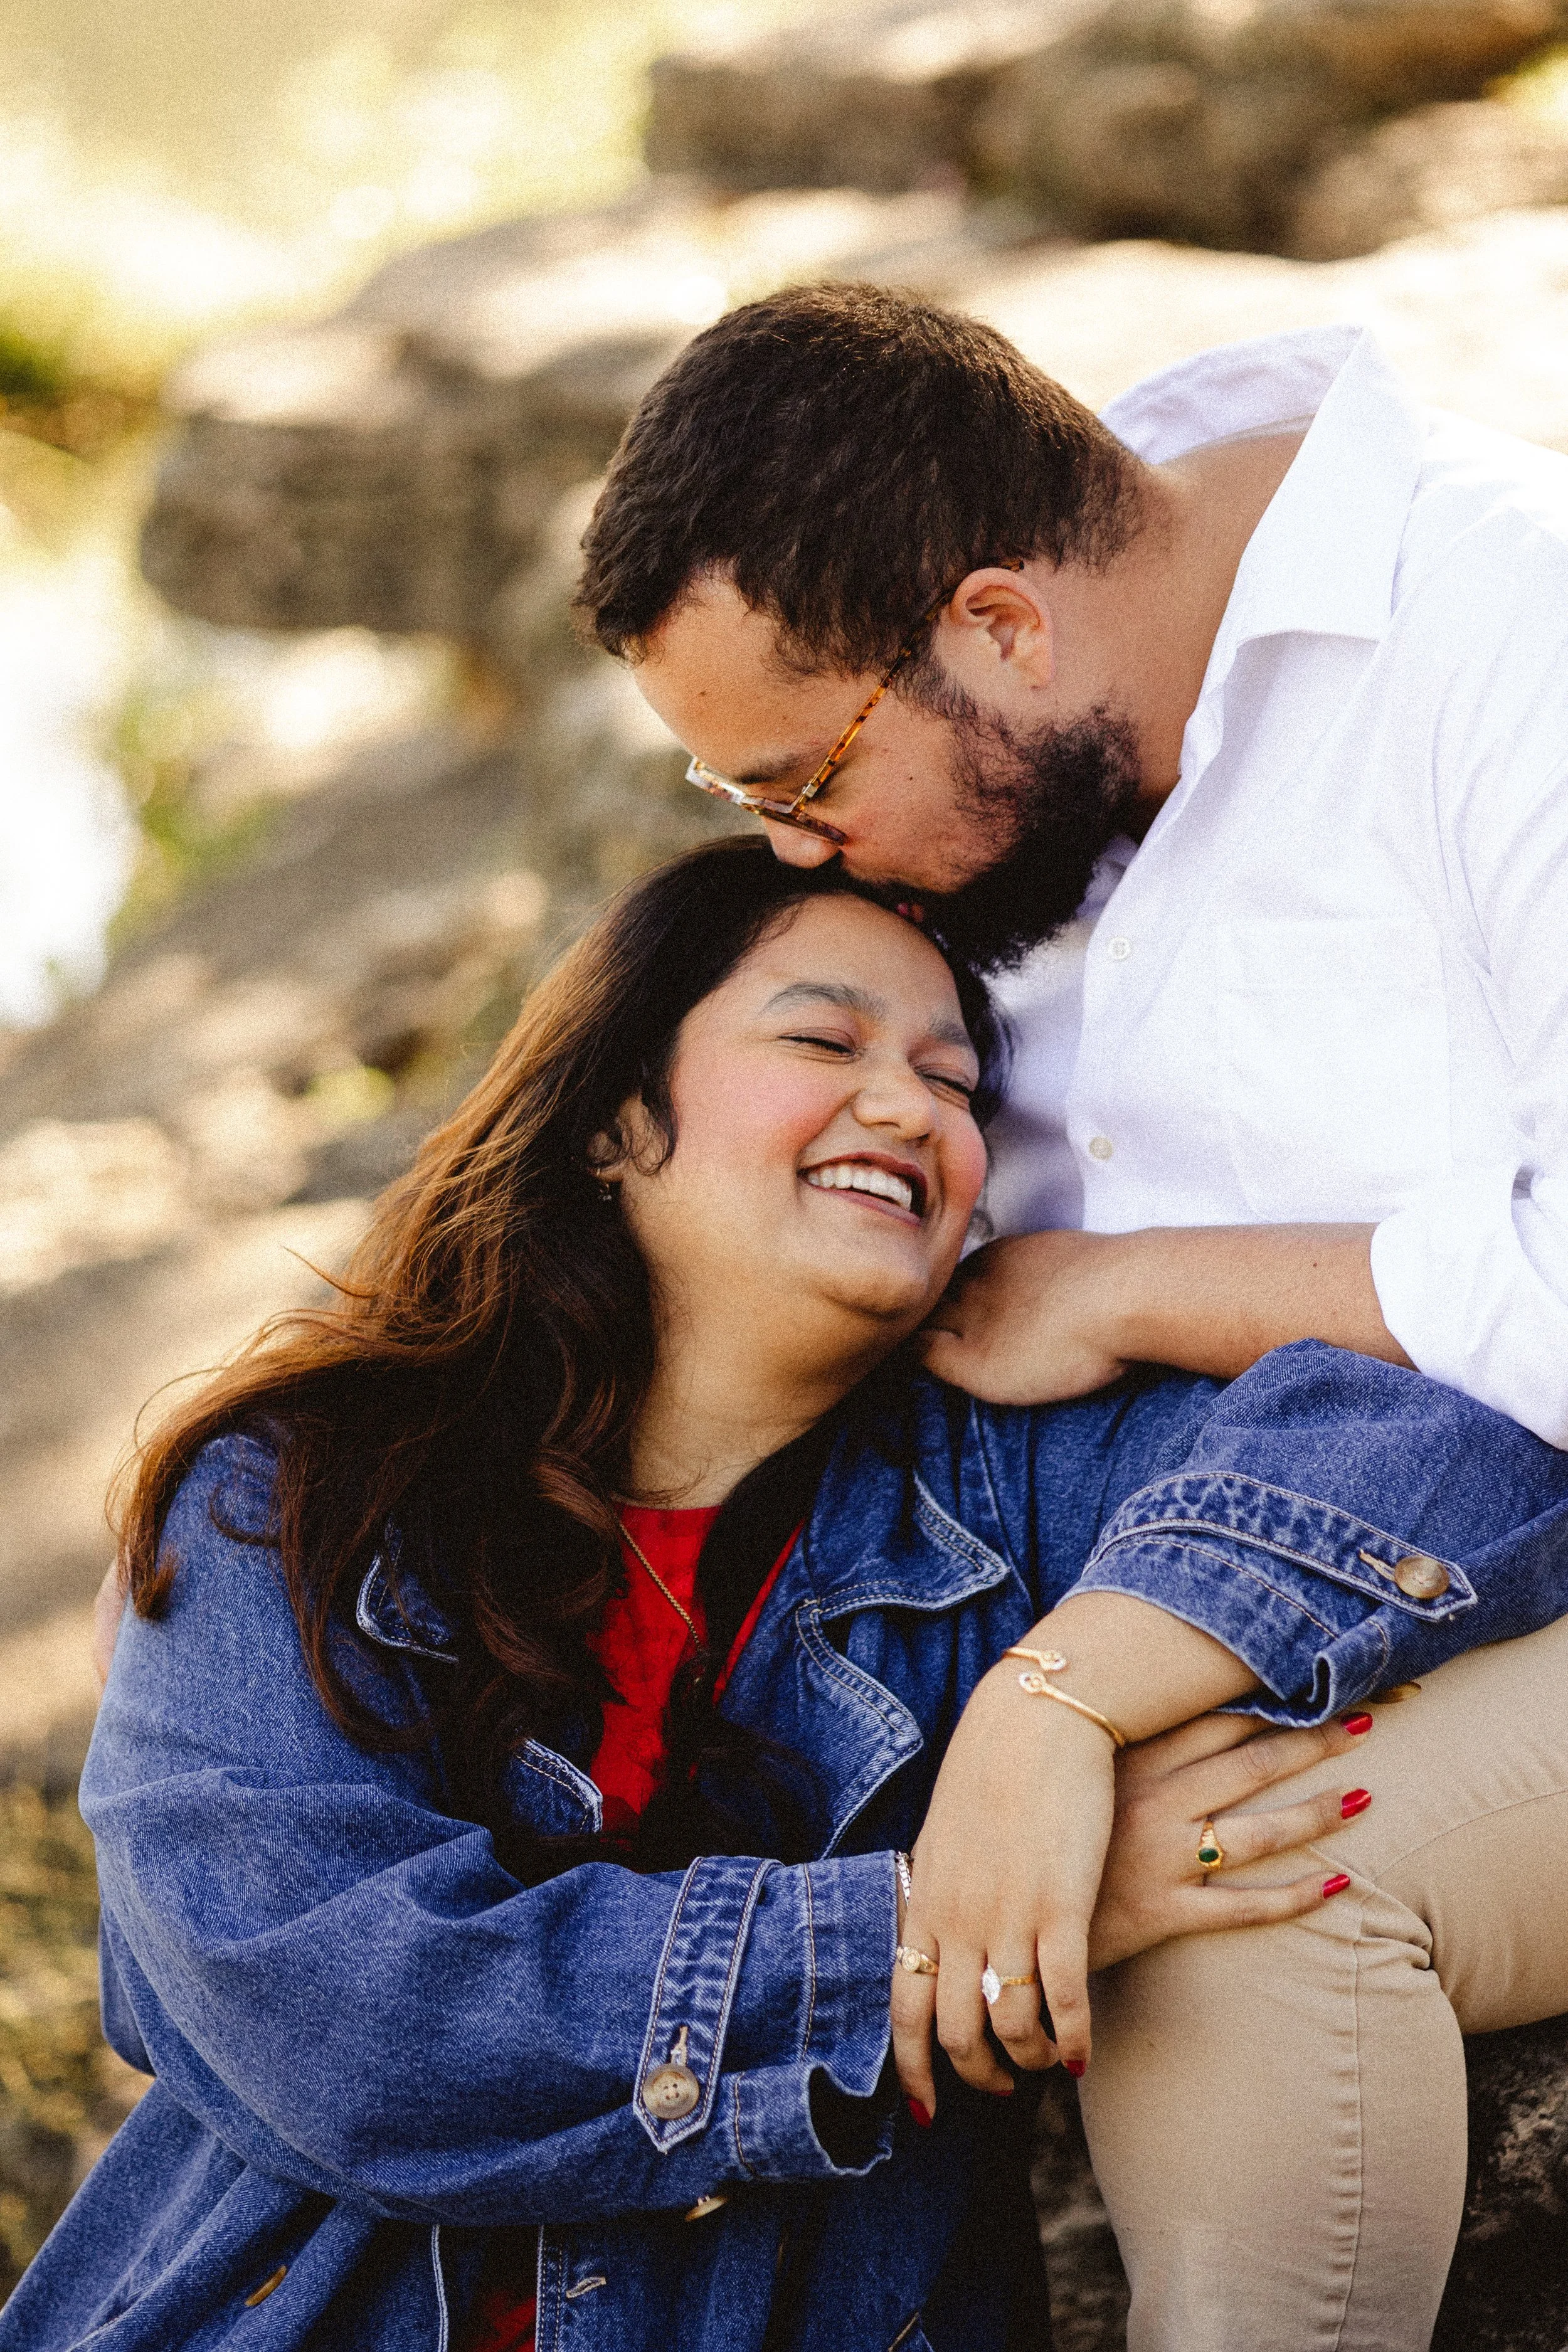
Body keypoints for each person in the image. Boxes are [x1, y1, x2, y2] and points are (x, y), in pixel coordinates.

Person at [20, 841, 1568, 2352]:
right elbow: (340, 2021)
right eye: (824, 1038)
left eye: (959, 1087)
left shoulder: (995, 1485)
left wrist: (1058, 1685)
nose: (910, 1104)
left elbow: (1465, 1449)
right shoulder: (298, 1498)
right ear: (617, 1121)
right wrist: (956, 1925)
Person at [574, 282, 1568, 1451]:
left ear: (1002, 629)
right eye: (748, 800)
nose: (794, 848)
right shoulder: (1016, 783)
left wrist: (1124, 1291)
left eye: (815, 781)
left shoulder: (1512, 637)